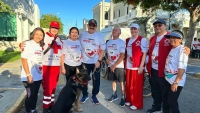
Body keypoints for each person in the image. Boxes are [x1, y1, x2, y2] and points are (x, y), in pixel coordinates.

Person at [146, 19, 190, 113]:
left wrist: (188, 49)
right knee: (155, 91)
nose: (157, 27)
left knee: (165, 94)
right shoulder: (153, 38)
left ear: (165, 26)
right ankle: (156, 107)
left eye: (160, 25)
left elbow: (179, 45)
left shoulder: (170, 36)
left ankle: (165, 110)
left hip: (164, 72)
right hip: (153, 69)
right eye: (155, 26)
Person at [79, 19, 106, 104]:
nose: (92, 27)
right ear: (88, 26)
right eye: (90, 25)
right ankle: (85, 95)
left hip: (95, 62)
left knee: (96, 80)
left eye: (93, 25)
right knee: (84, 80)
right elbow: (77, 46)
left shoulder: (99, 36)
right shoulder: (82, 34)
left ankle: (94, 95)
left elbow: (102, 49)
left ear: (96, 27)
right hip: (84, 62)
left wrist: (99, 60)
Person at [21, 27, 45, 113]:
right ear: (33, 35)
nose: (38, 36)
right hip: (28, 76)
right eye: (37, 34)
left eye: (41, 35)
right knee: (30, 95)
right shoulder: (28, 44)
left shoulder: (40, 45)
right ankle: (28, 111)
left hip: (38, 75)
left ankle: (33, 109)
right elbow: (23, 59)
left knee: (35, 94)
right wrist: (28, 75)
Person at [164, 30, 188, 113]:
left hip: (176, 81)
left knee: (172, 102)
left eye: (174, 37)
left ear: (180, 40)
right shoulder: (173, 48)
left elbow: (182, 68)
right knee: (169, 100)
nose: (172, 39)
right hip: (168, 79)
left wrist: (176, 82)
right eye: (171, 37)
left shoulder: (182, 50)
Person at [125, 23, 148, 110]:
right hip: (128, 65)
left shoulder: (142, 40)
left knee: (136, 86)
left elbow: (144, 53)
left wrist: (141, 65)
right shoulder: (127, 40)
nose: (133, 31)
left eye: (135, 29)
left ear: (138, 30)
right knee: (129, 84)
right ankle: (129, 100)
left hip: (137, 66)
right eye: (132, 29)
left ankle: (136, 103)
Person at [41, 21, 63, 113]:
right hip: (46, 66)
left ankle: (51, 104)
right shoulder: (43, 37)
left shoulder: (59, 40)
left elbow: (62, 54)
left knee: (53, 87)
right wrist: (22, 44)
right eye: (53, 27)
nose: (54, 30)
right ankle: (45, 107)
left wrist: (62, 67)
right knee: (47, 87)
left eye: (56, 28)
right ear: (50, 28)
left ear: (58, 30)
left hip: (56, 67)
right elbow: (33, 42)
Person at [106, 26, 126, 107]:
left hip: (119, 66)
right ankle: (114, 95)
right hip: (110, 65)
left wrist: (114, 65)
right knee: (113, 81)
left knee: (121, 82)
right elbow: (106, 53)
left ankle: (123, 98)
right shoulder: (108, 42)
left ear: (119, 33)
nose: (114, 31)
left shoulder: (121, 42)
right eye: (113, 30)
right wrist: (107, 59)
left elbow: (122, 56)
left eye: (116, 30)